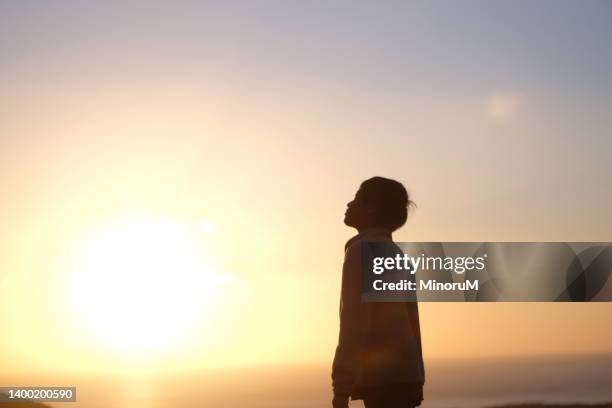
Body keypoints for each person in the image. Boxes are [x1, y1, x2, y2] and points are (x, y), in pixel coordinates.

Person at [332, 177, 425, 408]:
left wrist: (340, 388)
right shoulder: (398, 256)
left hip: (382, 384)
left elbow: (354, 323)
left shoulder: (360, 253)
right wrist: (417, 378)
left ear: (370, 209)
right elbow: (414, 326)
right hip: (407, 379)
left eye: (356, 198)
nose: (348, 204)